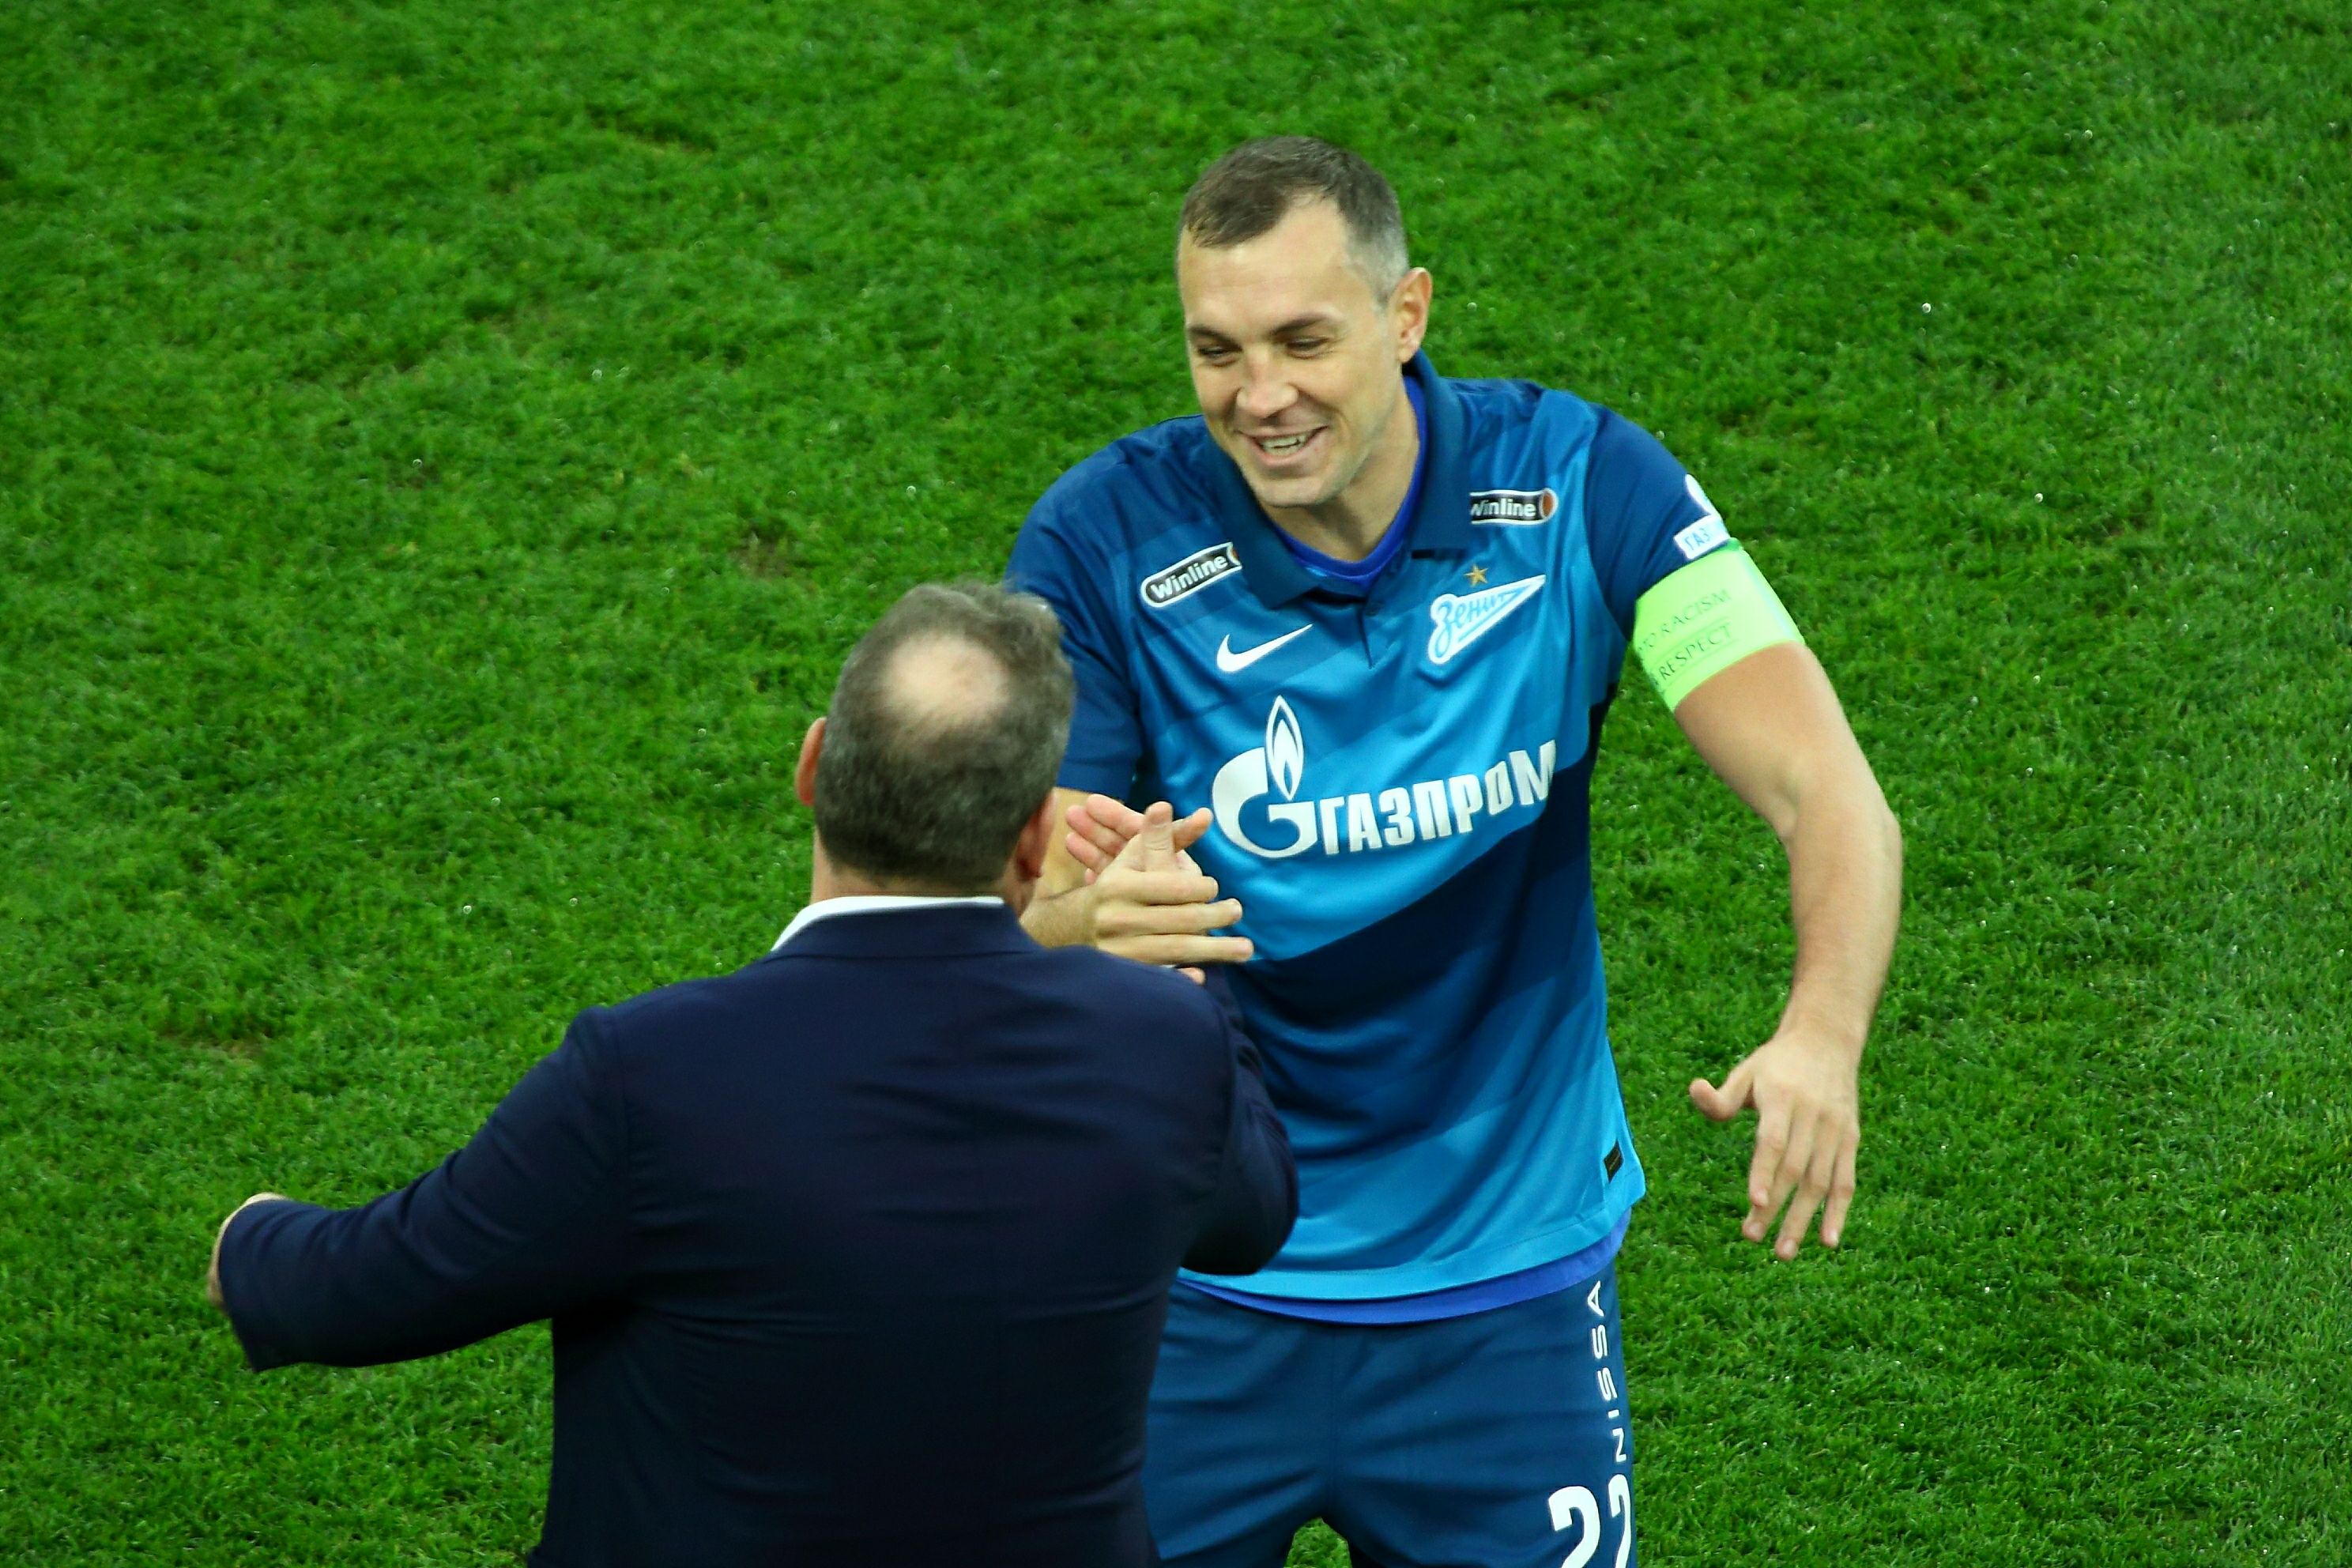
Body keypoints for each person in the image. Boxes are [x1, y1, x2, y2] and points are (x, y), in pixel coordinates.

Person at [1006, 138, 1902, 1567]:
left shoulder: (1585, 484)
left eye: (1304, 341)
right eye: (1218, 351)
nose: (1260, 396)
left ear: (1407, 313)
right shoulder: (1101, 539)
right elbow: (1015, 912)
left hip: (1508, 1296)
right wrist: (1070, 929)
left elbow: (1827, 789)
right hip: (1188, 1281)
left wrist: (1824, 1033)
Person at [206, 581, 1297, 1568]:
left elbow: (365, 1291)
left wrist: (251, 1240)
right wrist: (1184, 959)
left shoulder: (653, 1074)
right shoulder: (1164, 1044)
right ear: (1029, 840)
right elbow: (1251, 1219)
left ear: (814, 768)